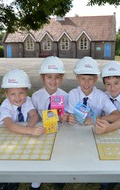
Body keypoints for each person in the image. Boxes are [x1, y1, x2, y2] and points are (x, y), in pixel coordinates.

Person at [0, 68, 45, 190]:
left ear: (26, 92)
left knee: (34, 155)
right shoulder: (4, 107)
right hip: (7, 139)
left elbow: (34, 115)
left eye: (21, 93)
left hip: (23, 134)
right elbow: (10, 125)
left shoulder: (28, 101)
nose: (18, 97)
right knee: (8, 159)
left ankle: (35, 182)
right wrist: (29, 131)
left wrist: (29, 126)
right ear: (6, 94)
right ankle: (8, 181)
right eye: (13, 94)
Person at [94, 61, 120, 190]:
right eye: (108, 84)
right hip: (109, 131)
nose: (112, 88)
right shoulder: (103, 96)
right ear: (104, 85)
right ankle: (107, 183)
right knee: (108, 155)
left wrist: (108, 128)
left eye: (116, 83)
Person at [32, 56, 68, 190]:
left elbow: (67, 115)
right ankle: (36, 179)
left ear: (61, 79)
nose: (53, 81)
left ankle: (59, 179)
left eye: (57, 77)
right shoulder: (36, 96)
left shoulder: (65, 95)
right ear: (43, 78)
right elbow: (33, 115)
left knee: (59, 154)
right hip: (41, 132)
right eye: (49, 77)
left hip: (59, 132)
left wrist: (65, 117)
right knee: (39, 155)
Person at [66, 56, 120, 125]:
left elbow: (117, 115)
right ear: (77, 78)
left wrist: (95, 119)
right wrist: (69, 118)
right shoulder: (72, 94)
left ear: (95, 79)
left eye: (90, 79)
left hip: (95, 131)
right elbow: (68, 115)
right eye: (83, 78)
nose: (86, 83)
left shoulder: (101, 96)